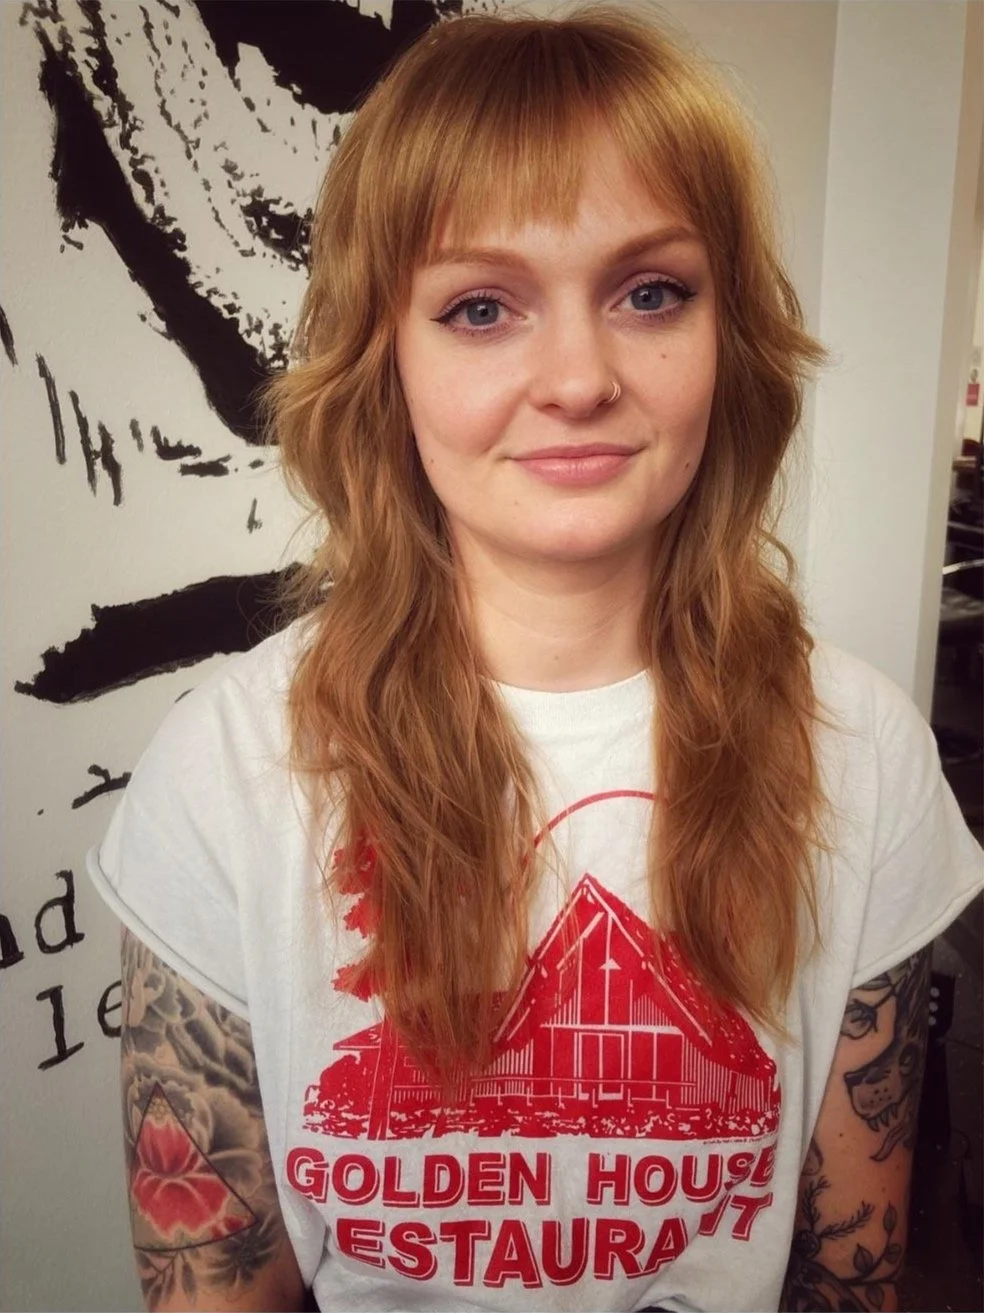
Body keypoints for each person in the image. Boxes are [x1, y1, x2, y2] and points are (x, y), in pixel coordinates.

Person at [87, 6, 983, 1312]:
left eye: (650, 292)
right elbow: (215, 1285)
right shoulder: (227, 769)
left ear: (726, 338)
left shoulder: (863, 754)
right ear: (385, 359)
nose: (576, 379)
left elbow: (848, 1273)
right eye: (481, 307)